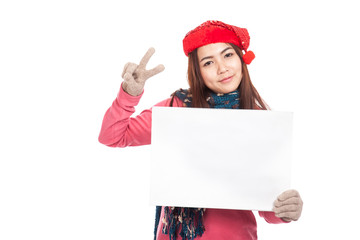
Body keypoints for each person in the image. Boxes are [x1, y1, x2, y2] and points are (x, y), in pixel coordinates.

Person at [98, 20, 303, 240]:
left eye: (227, 55)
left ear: (242, 59)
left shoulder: (261, 121)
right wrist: (129, 94)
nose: (222, 68)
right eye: (208, 63)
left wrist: (286, 209)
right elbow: (113, 136)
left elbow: (266, 206)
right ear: (198, 72)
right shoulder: (176, 109)